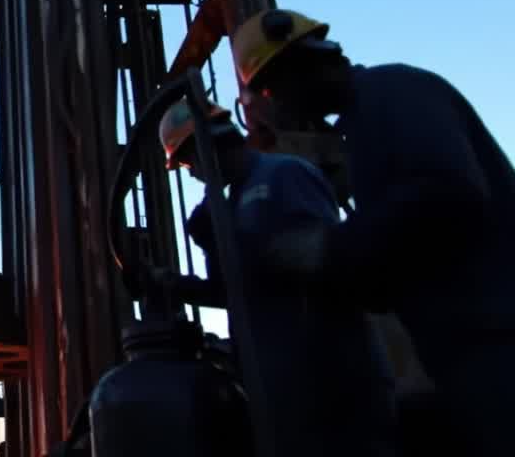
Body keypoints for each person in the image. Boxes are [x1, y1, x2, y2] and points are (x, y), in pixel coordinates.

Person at [232, 8, 515, 456]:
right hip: (472, 352)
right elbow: (398, 252)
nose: (280, 107)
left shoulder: (392, 90)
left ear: (299, 68)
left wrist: (331, 247)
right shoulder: (360, 127)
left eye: (272, 90)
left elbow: (447, 189)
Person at [158, 98, 397, 457]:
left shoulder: (284, 175)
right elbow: (236, 292)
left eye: (189, 161)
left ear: (211, 143)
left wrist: (226, 240)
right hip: (276, 387)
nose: (192, 174)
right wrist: (178, 284)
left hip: (329, 380)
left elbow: (319, 262)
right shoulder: (232, 203)